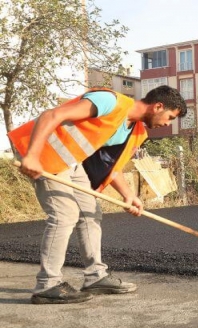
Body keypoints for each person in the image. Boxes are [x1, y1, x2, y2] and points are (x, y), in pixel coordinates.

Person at [8, 85, 186, 304]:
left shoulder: (136, 130)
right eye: (169, 117)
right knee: (65, 215)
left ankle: (95, 277)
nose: (167, 124)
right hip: (44, 153)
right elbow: (52, 115)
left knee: (90, 212)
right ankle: (48, 285)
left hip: (71, 161)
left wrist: (128, 195)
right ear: (158, 106)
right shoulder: (110, 102)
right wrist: (33, 155)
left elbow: (113, 167)